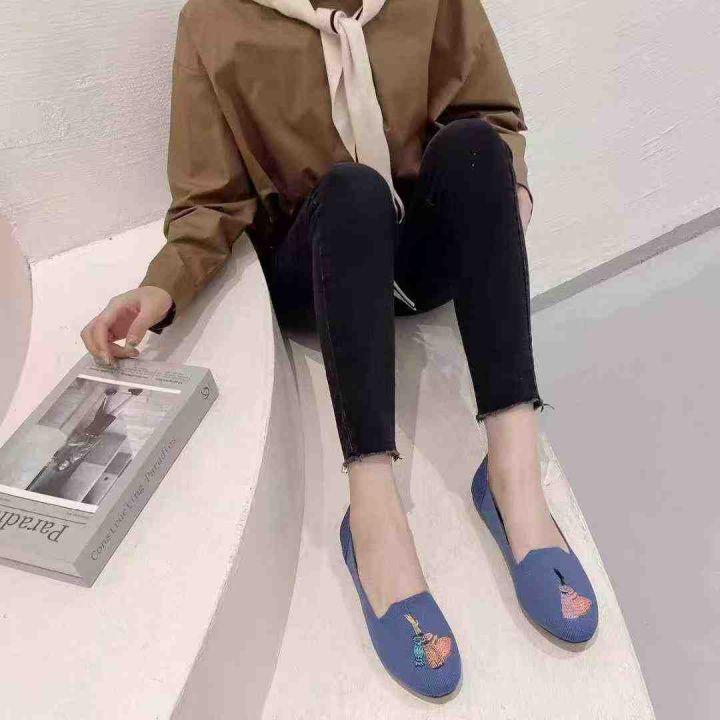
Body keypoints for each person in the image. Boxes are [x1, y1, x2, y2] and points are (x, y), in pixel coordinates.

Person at [80, 0, 598, 699]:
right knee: (352, 191)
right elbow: (210, 202)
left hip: (421, 257)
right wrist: (160, 288)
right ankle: (374, 519)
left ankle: (514, 480)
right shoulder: (214, 20)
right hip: (321, 271)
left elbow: (490, 115)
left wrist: (505, 198)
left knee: (475, 146)